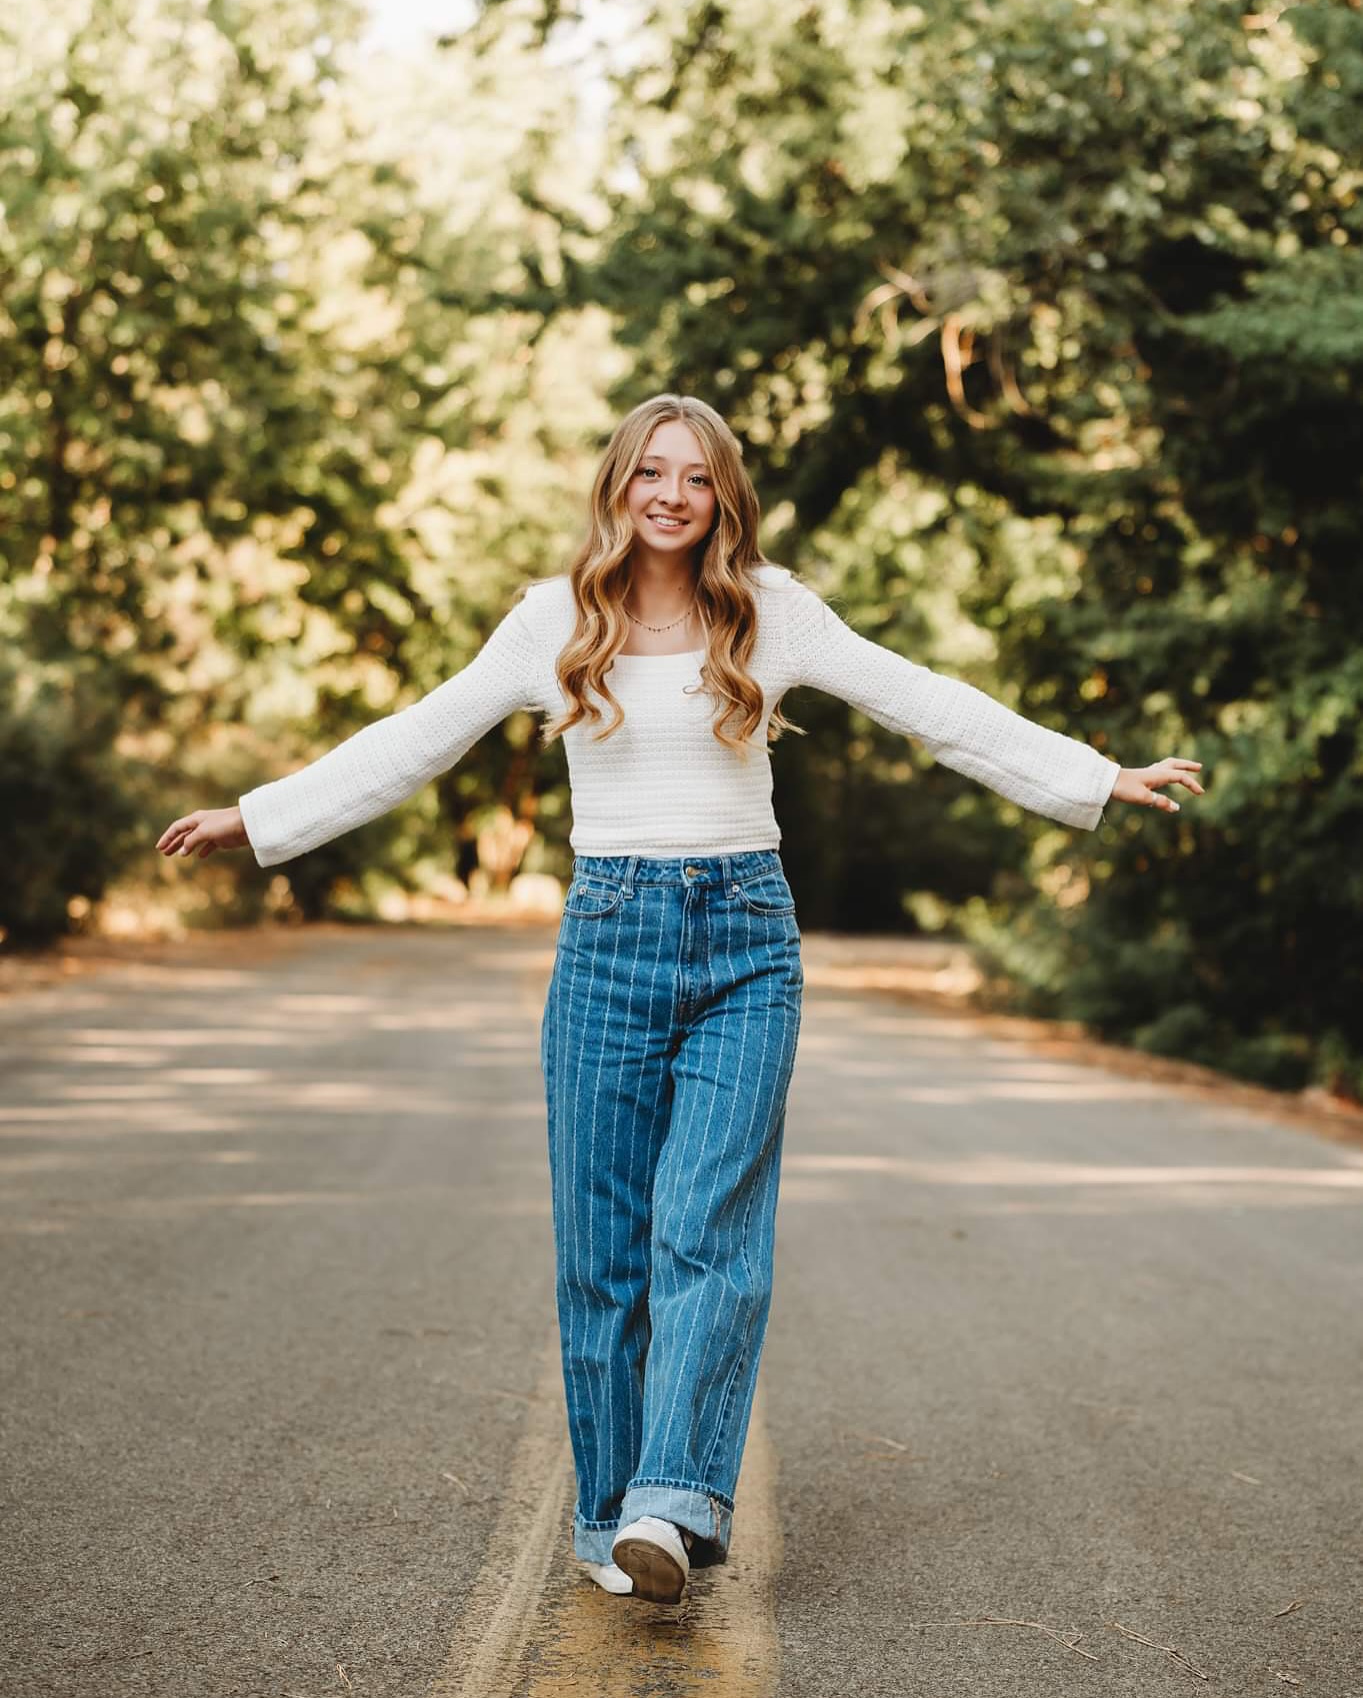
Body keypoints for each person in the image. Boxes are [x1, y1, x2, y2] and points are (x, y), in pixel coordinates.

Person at [156, 392, 1204, 1604]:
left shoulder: (770, 607)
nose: (670, 494)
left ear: (722, 497)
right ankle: (609, 1518)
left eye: (695, 478)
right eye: (651, 471)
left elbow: (925, 702)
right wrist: (264, 817)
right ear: (618, 484)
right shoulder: (551, 621)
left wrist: (1091, 775)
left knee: (708, 1228)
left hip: (748, 942)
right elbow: (417, 736)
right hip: (606, 944)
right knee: (602, 1255)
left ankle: (672, 1499)